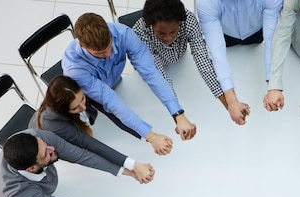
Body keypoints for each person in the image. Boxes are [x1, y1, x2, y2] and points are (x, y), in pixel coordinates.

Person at [62, 12, 196, 155]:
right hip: (88, 98)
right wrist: (151, 137)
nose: (108, 54)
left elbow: (151, 73)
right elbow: (110, 100)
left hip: (115, 84)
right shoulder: (75, 69)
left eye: (109, 46)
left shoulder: (122, 33)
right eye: (100, 53)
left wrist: (178, 114)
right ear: (82, 45)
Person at [0, 130, 150, 197]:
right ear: (31, 168)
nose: (52, 149)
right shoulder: (18, 193)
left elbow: (80, 155)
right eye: (46, 154)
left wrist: (129, 171)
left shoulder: (33, 138)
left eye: (45, 145)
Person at [31, 75, 155, 183]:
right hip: (44, 146)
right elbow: (89, 146)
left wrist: (148, 136)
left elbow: (110, 110)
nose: (83, 107)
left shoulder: (77, 91)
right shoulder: (52, 122)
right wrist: (133, 166)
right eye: (75, 108)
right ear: (62, 109)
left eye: (83, 99)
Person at [132, 0, 230, 120]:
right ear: (150, 25)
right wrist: (178, 116)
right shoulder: (139, 34)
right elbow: (160, 77)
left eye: (173, 31)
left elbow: (202, 61)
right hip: (153, 70)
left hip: (181, 63)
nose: (168, 38)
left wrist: (228, 104)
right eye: (161, 33)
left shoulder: (188, 20)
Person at [196, 0, 283, 124]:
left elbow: (271, 40)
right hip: (224, 34)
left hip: (256, 32)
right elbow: (217, 52)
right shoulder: (206, 2)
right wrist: (231, 100)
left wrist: (273, 86)